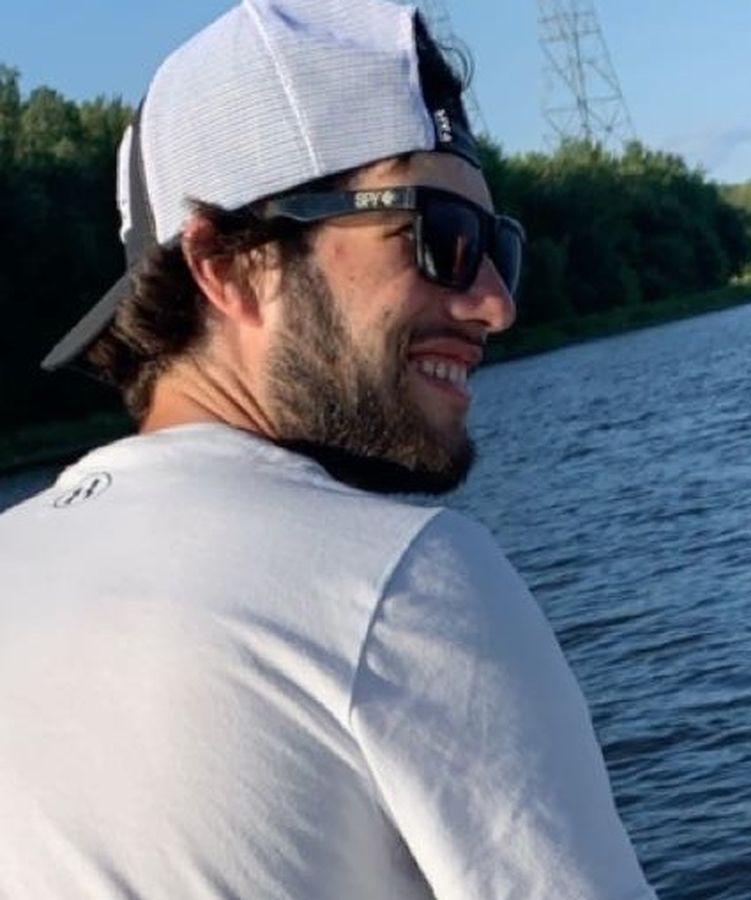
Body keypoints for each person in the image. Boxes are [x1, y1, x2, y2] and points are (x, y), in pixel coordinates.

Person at [0, 1, 657, 897]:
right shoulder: (403, 582)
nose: (496, 303)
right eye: (442, 238)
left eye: (498, 246)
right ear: (231, 265)